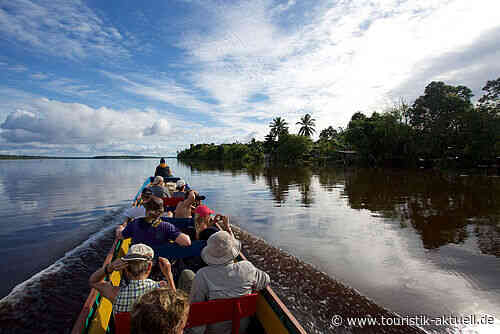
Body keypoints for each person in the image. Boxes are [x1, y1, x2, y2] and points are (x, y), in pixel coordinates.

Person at [189, 231, 270, 334]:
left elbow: (196, 309)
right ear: (232, 251)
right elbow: (266, 280)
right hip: (241, 329)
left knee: (187, 274)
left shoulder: (202, 275)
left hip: (213, 331)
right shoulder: (247, 267)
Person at [88, 244, 176, 314]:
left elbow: (93, 281)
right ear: (149, 267)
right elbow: (176, 307)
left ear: (126, 269)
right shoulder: (161, 288)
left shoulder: (115, 294)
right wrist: (169, 275)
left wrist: (109, 268)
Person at [116, 197, 191, 247]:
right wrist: (185, 235)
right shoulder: (167, 226)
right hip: (158, 261)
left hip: (140, 260)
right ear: (161, 211)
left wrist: (120, 228)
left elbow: (120, 236)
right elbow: (186, 242)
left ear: (146, 210)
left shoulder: (135, 223)